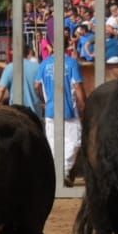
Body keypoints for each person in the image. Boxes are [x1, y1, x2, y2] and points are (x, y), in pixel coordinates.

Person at [35, 45, 84, 177]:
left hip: (50, 109)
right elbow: (77, 85)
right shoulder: (72, 63)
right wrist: (83, 104)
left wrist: (44, 100)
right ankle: (65, 169)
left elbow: (37, 85)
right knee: (75, 140)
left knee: (53, 141)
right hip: (69, 109)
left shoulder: (44, 63)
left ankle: (56, 172)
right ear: (67, 46)